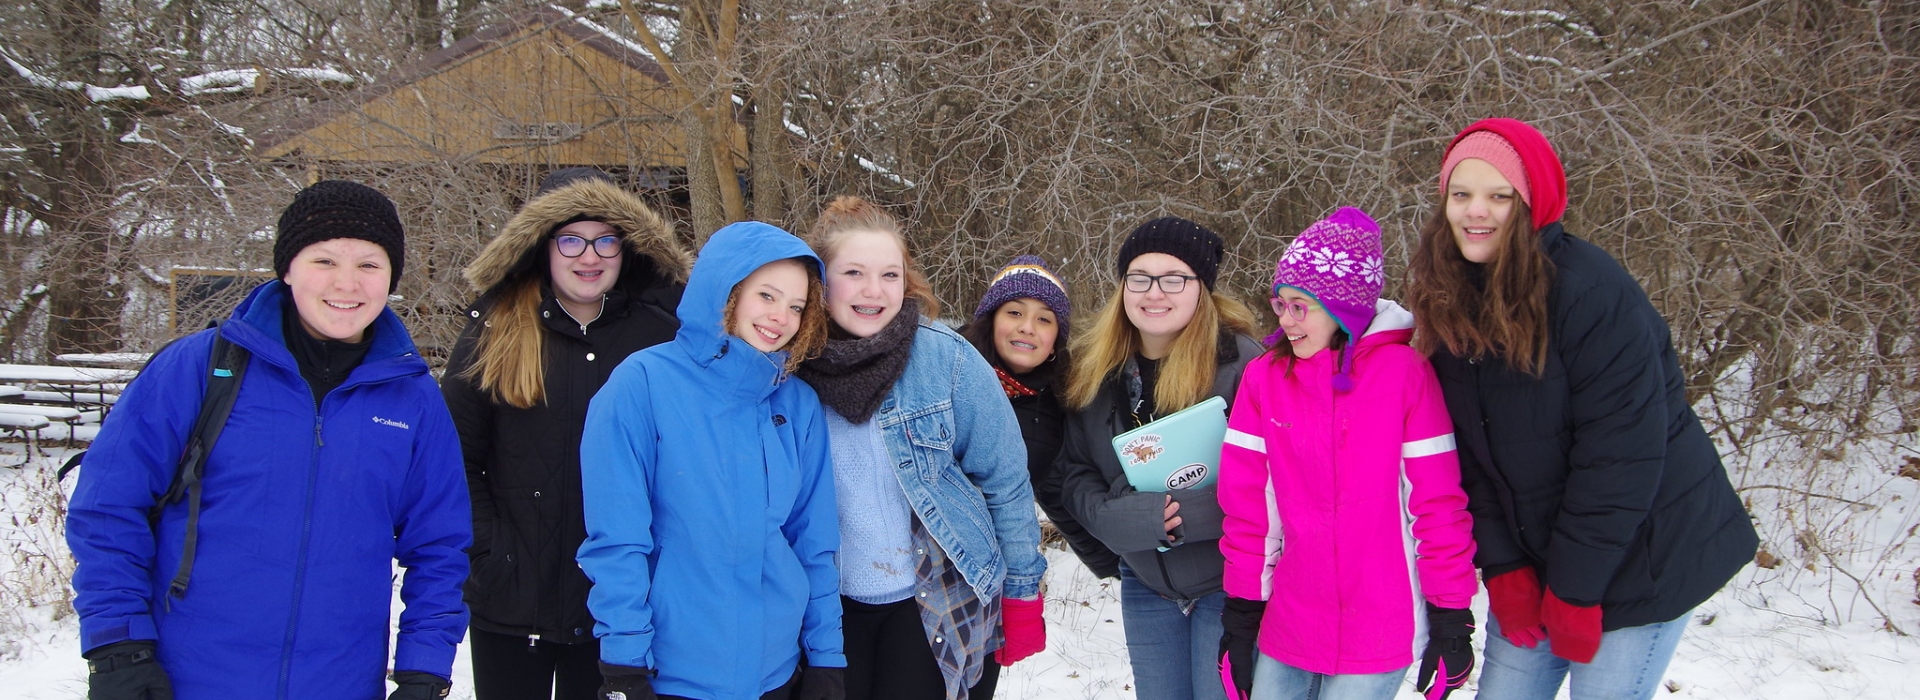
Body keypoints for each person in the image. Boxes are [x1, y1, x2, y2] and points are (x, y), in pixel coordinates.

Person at [67, 180, 471, 699]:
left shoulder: (412, 397)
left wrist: (424, 671)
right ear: (287, 269)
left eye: (369, 265)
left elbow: (440, 545)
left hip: (339, 681)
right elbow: (107, 508)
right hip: (189, 677)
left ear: (391, 276)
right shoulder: (201, 368)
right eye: (324, 261)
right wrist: (117, 648)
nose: (347, 284)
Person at [1405, 118, 1759, 699]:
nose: (1477, 212)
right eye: (1461, 194)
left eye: (1500, 196)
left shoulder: (1592, 295)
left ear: (1531, 203)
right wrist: (1506, 569)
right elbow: (1467, 450)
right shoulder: (1449, 296)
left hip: (1642, 556)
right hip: (1543, 555)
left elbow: (1620, 460)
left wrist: (1573, 591)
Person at [441, 167, 692, 700]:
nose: (590, 256)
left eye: (606, 240)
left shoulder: (661, 336)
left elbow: (687, 461)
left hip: (620, 607)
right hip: (511, 598)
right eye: (572, 239)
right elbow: (454, 458)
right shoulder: (495, 329)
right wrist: (488, 555)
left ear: (627, 249)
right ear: (542, 246)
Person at [1215, 208, 1478, 700]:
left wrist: (1451, 614)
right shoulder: (1266, 379)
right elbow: (1250, 505)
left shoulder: (1405, 375)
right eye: (1280, 304)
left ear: (1343, 309)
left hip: (1381, 619)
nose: (1285, 320)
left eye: (1300, 307)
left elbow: (1437, 502)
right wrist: (1243, 613)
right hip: (1290, 617)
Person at [576, 221, 841, 700]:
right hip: (672, 674)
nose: (781, 316)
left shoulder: (797, 405)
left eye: (797, 306)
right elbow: (617, 539)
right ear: (727, 289)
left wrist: (826, 656)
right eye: (767, 295)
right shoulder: (641, 385)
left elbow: (814, 544)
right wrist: (624, 663)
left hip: (775, 673)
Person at [794, 196, 1046, 700]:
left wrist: (1022, 594)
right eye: (854, 273)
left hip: (934, 600)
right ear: (819, 281)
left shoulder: (946, 360)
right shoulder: (789, 364)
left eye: (890, 275)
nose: (874, 291)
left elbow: (1005, 481)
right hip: (824, 607)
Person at [1057, 216, 1262, 700]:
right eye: (1140, 278)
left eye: (1174, 279)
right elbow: (1073, 473)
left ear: (1202, 289)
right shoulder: (1094, 369)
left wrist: (1176, 515)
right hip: (1146, 582)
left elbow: (1275, 482)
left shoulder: (1244, 366)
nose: (1154, 293)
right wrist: (1115, 518)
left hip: (1228, 583)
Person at [957, 255, 1122, 581]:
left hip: (996, 567)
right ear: (991, 321)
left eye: (1044, 320)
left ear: (1054, 344)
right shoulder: (949, 370)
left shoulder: (1058, 402)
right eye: (1015, 312)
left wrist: (1117, 568)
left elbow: (1060, 489)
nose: (1027, 327)